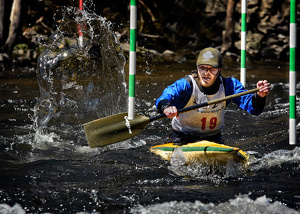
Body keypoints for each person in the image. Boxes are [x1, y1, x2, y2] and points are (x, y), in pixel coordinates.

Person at [155, 47, 271, 144]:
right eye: (202, 68)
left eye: (212, 69)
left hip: (213, 138)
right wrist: (166, 107)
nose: (206, 73)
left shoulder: (229, 85)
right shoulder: (186, 84)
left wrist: (259, 96)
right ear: (197, 67)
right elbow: (165, 97)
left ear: (219, 70)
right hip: (182, 136)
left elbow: (254, 109)